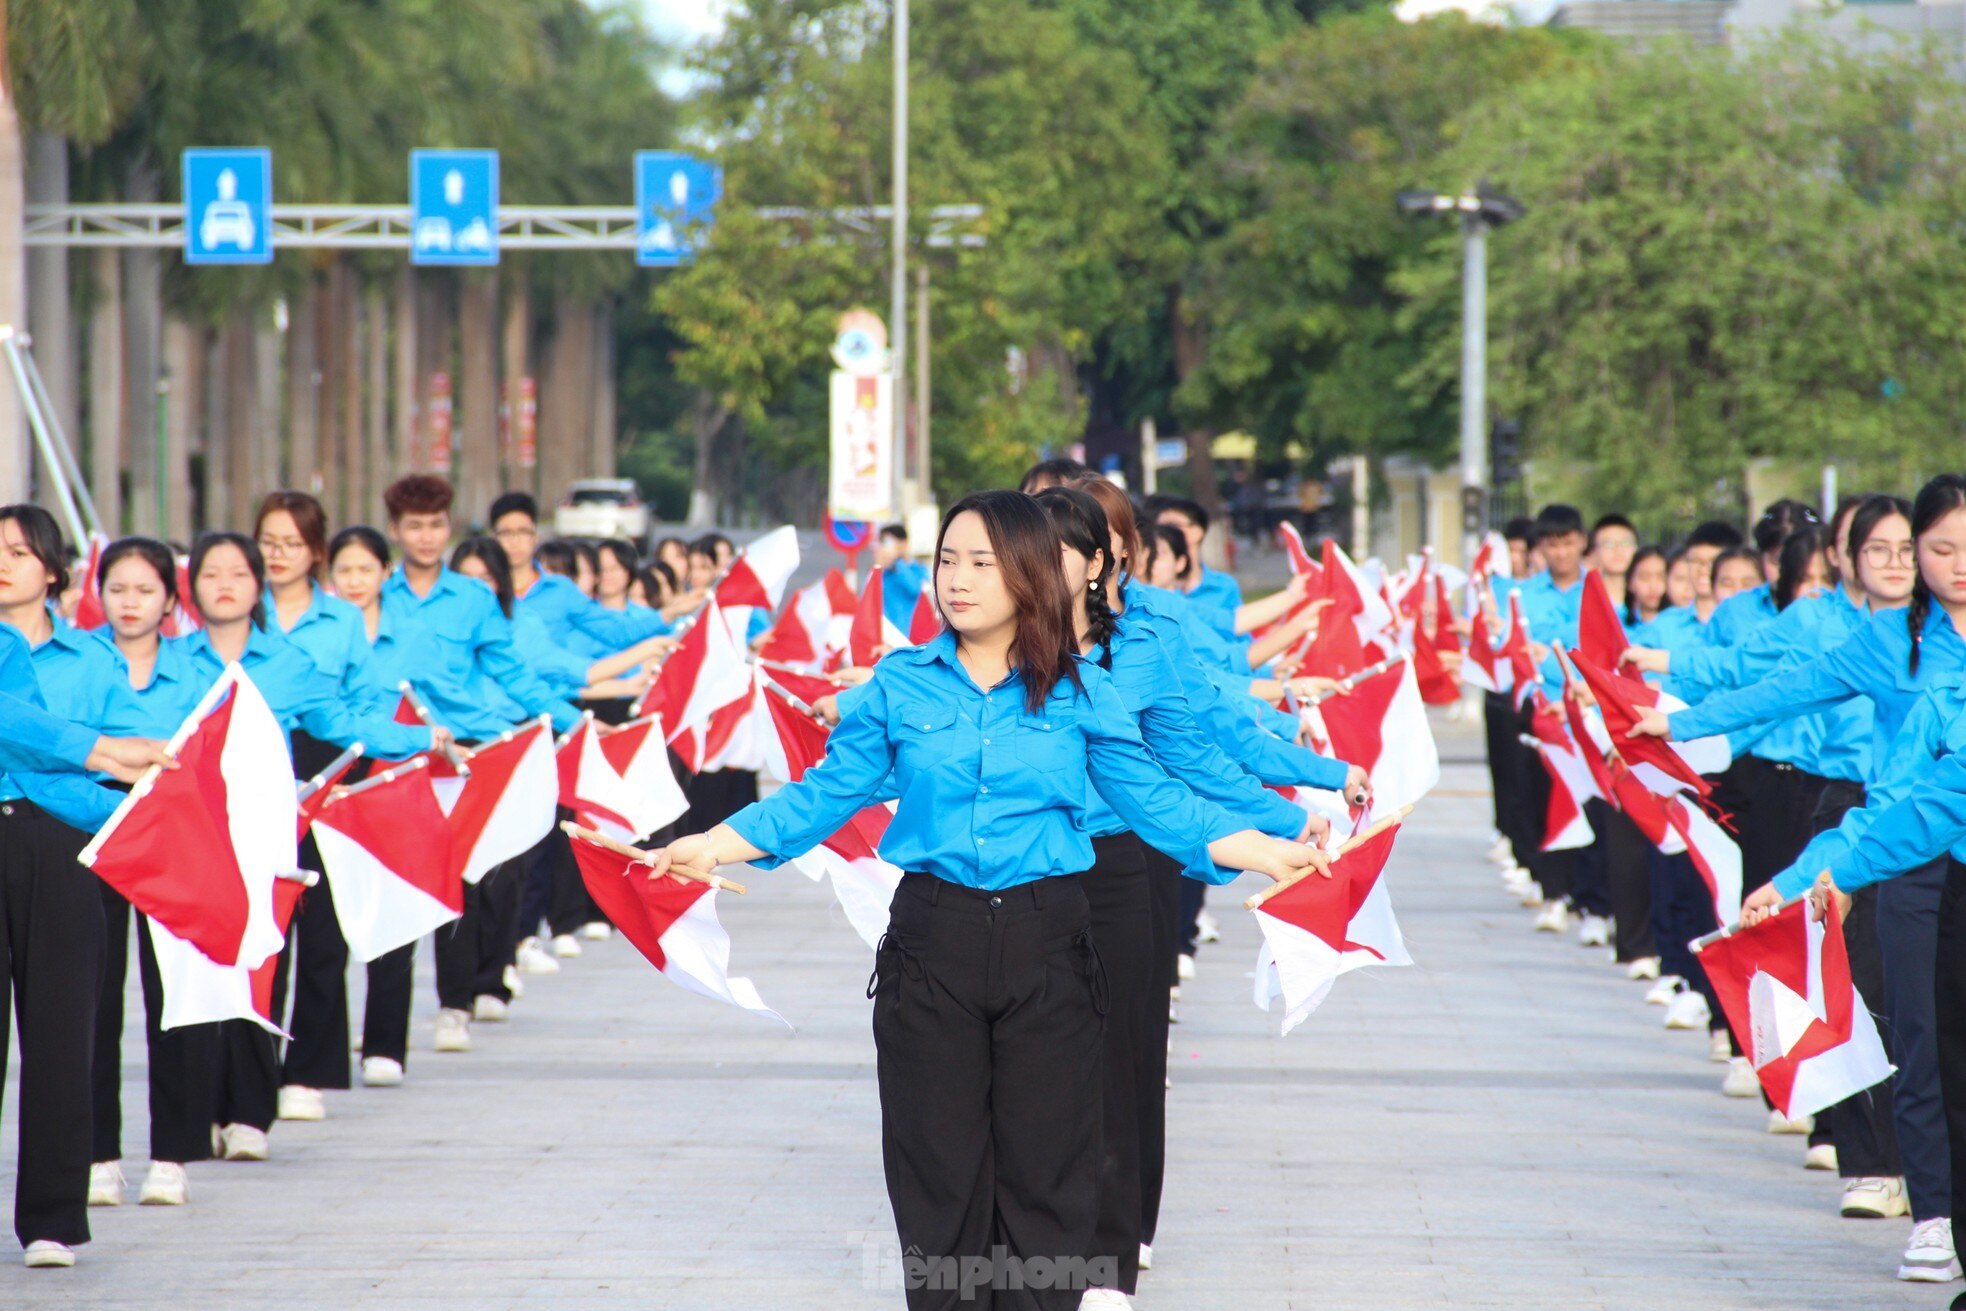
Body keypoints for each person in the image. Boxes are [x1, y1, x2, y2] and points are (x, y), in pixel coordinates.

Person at [650, 490, 1328, 1311]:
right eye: (948, 559)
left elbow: (1162, 804)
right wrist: (712, 842)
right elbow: (823, 795)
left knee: (1047, 1178)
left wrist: (1274, 854)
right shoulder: (902, 686)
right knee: (938, 1179)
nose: (958, 579)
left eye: (982, 561)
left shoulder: (1080, 690)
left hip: (1050, 946)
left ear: (1031, 574)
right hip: (934, 944)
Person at [1634, 475, 1966, 1281]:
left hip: (1899, 829)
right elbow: (1780, 684)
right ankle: (1930, 1211)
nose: (1953, 565)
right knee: (1917, 1033)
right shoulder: (1889, 642)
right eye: (1938, 549)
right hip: (1899, 841)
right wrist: (1680, 723)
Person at [374, 476, 580, 1054]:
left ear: (450, 527)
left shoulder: (473, 599)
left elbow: (515, 674)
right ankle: (382, 1031)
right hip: (397, 748)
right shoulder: (373, 597)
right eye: (413, 525)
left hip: (468, 751)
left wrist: (572, 721)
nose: (426, 535)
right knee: (399, 883)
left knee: (462, 877)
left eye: (436, 524)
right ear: (395, 530)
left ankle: (454, 1003)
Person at [0, 506, 155, 1268]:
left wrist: (92, 775)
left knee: (65, 1032)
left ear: (55, 569)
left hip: (63, 848)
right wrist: (83, 755)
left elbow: (139, 758)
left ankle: (54, 1218)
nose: (4, 561)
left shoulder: (94, 661)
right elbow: (104, 752)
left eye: (20, 551)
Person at [84, 537, 214, 1210]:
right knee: (93, 1003)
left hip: (174, 846)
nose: (130, 602)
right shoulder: (78, 662)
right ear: (98, 593)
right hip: (95, 841)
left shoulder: (198, 669)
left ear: (170, 599)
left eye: (144, 590)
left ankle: (173, 1154)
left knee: (176, 1001)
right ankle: (98, 1153)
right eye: (117, 589)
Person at [1152, 497, 1241, 636]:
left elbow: (1238, 632)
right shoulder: (1153, 588)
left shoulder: (1224, 586)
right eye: (1159, 527)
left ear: (1198, 532)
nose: (1163, 534)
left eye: (1172, 526)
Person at [875, 524, 929, 634]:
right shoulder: (884, 573)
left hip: (910, 638)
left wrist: (897, 561)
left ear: (903, 544)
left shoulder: (919, 570)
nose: (886, 547)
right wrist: (878, 566)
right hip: (885, 637)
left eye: (889, 542)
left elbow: (915, 589)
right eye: (883, 542)